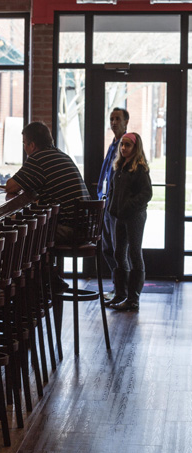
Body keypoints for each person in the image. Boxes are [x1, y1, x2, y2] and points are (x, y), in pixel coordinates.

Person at [5, 122, 90, 244]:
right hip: (87, 227)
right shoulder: (63, 156)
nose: (24, 148)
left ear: (32, 145)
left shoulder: (38, 159)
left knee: (19, 229)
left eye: (24, 143)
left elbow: (10, 187)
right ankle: (40, 263)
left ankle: (28, 263)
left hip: (69, 230)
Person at [107, 132, 152, 312]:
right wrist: (113, 208)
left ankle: (133, 299)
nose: (124, 148)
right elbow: (114, 191)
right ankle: (121, 294)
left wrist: (129, 206)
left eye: (128, 145)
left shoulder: (139, 168)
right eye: (122, 145)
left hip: (135, 216)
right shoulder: (120, 166)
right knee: (119, 253)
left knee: (134, 253)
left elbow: (146, 193)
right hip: (120, 216)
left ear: (135, 147)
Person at [98, 108, 129, 299]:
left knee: (119, 251)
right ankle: (117, 287)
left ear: (126, 121)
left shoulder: (126, 144)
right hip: (106, 203)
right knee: (107, 248)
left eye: (118, 119)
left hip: (117, 207)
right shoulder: (113, 145)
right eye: (111, 119)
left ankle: (123, 291)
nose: (114, 122)